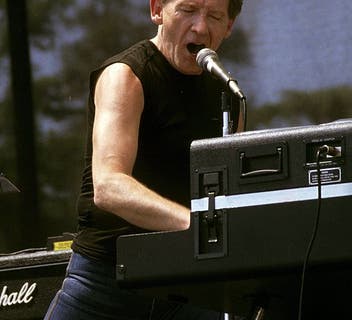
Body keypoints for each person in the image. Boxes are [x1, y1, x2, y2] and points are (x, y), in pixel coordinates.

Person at [45, 0, 244, 318]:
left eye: (215, 16)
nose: (200, 27)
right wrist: (195, 224)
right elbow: (109, 186)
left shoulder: (228, 96)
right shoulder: (125, 76)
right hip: (105, 288)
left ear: (229, 27)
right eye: (187, 10)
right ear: (156, 10)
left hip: (188, 288)